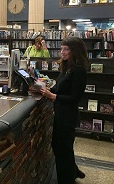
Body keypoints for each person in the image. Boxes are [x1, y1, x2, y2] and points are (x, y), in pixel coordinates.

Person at [40, 37, 89, 184]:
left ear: (75, 51)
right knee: (62, 148)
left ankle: (66, 179)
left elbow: (75, 98)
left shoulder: (79, 70)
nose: (62, 52)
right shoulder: (67, 67)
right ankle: (73, 171)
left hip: (67, 117)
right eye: (62, 48)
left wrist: (53, 96)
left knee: (63, 150)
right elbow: (59, 86)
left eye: (66, 49)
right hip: (61, 114)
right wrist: (46, 89)